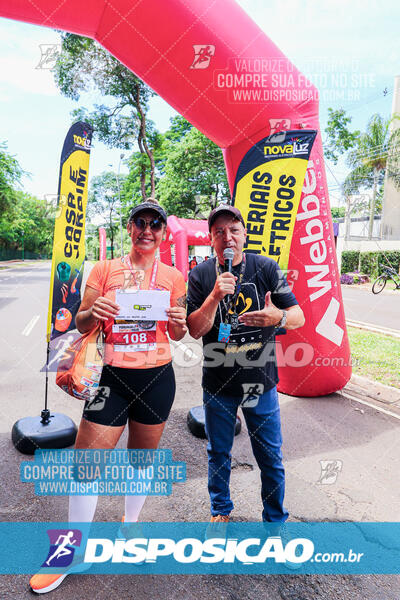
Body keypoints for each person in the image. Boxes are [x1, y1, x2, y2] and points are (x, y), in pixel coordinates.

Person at [30, 199, 187, 594]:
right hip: (111, 380)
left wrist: (180, 321)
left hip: (157, 379)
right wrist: (94, 311)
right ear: (130, 228)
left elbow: (181, 333)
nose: (147, 229)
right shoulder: (105, 269)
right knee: (87, 465)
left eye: (156, 223)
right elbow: (80, 322)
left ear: (164, 233)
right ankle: (67, 552)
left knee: (140, 462)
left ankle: (128, 531)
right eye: (140, 222)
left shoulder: (173, 277)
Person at [187, 204, 304, 524]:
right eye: (219, 232)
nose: (227, 237)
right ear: (211, 239)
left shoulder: (265, 267)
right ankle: (220, 511)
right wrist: (213, 296)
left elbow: (298, 316)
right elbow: (195, 329)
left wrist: (277, 315)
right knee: (218, 453)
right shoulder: (199, 274)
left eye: (234, 230)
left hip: (260, 381)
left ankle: (275, 520)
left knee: (270, 457)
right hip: (218, 383)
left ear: (244, 234)